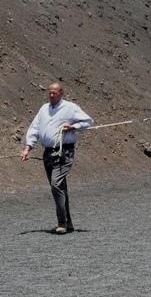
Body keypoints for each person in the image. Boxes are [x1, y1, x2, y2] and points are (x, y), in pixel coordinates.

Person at [20, 82, 95, 234]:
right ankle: (68, 223)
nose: (51, 95)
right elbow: (34, 128)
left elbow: (88, 121)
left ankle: (61, 222)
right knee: (59, 187)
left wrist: (73, 127)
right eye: (50, 92)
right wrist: (27, 148)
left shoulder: (70, 108)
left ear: (61, 93)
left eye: (54, 92)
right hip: (48, 153)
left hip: (64, 152)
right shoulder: (43, 108)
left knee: (56, 184)